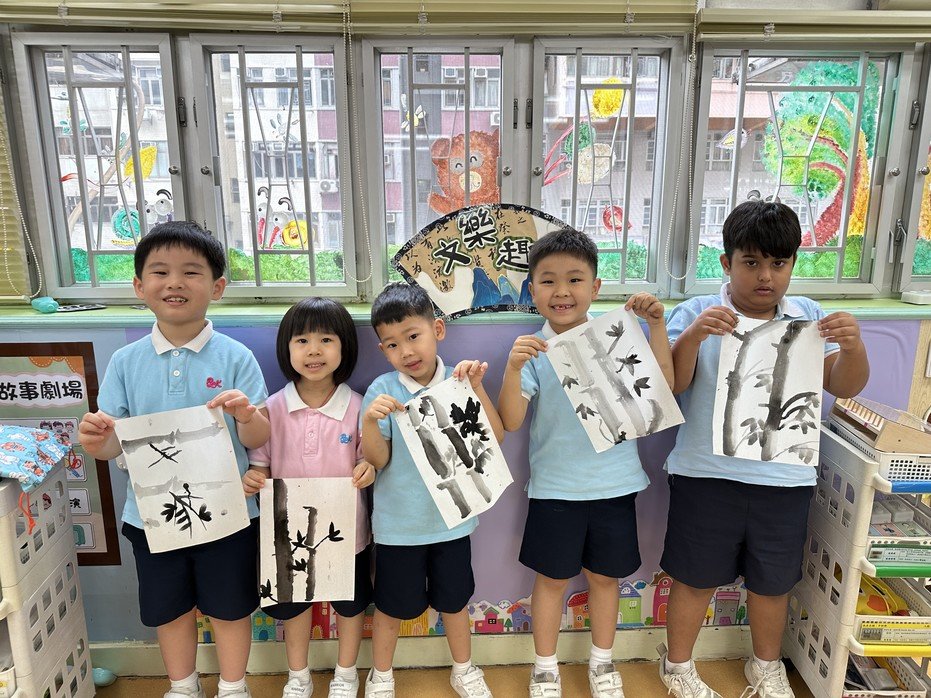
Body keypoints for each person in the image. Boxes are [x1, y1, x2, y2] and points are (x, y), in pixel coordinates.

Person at [659, 200, 869, 698]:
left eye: (778, 263)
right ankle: (677, 665)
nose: (765, 276)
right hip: (706, 475)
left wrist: (854, 346)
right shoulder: (696, 311)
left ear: (793, 263)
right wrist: (694, 335)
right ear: (726, 263)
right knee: (693, 578)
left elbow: (844, 386)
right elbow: (673, 385)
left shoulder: (808, 316)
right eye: (751, 262)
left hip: (785, 478)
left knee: (773, 583)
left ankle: (766, 666)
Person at [78, 221, 270, 698]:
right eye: (160, 272)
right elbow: (114, 444)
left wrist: (247, 415)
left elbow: (260, 436)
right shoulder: (125, 361)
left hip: (227, 515)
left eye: (191, 272)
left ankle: (233, 686)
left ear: (217, 287)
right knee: (170, 610)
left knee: (230, 608)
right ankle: (183, 686)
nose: (175, 282)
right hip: (151, 516)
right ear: (139, 286)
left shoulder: (237, 357)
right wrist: (97, 441)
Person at [497, 226, 674, 698]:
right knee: (551, 580)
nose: (562, 291)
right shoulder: (533, 351)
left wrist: (657, 326)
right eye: (548, 281)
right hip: (555, 489)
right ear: (531, 290)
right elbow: (511, 421)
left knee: (604, 578)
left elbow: (664, 388)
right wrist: (513, 368)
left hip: (615, 485)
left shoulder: (616, 339)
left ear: (595, 287)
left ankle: (602, 663)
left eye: (574, 280)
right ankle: (545, 667)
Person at [360, 282, 504, 698]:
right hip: (399, 528)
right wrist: (370, 422)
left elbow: (494, 438)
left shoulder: (460, 379)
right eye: (392, 345)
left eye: (413, 336)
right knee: (391, 607)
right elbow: (378, 460)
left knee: (455, 602)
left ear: (437, 329)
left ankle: (464, 669)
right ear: (382, 350)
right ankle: (381, 675)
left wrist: (476, 387)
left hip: (453, 523)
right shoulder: (383, 390)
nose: (406, 351)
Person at [242, 297, 374, 698]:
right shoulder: (271, 409)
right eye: (302, 340)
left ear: (344, 346)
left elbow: (369, 458)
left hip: (347, 532)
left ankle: (346, 673)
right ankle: (298, 675)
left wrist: (368, 467)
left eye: (326, 340)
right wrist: (254, 477)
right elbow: (260, 463)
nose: (314, 351)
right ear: (287, 348)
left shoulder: (359, 406)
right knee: (294, 605)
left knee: (350, 605)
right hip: (288, 532)